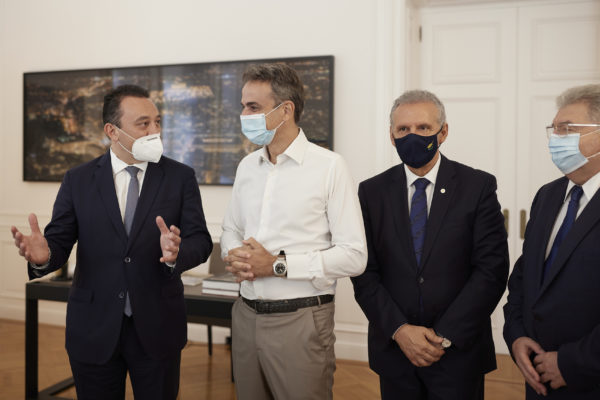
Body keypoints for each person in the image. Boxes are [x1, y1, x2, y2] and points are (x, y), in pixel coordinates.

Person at [11, 84, 213, 400]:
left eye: (157, 122)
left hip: (158, 326)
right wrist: (43, 256)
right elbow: (59, 243)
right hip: (93, 327)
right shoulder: (77, 179)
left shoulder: (180, 177)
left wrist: (177, 252)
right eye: (143, 124)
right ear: (112, 131)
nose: (155, 131)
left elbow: (200, 240)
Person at [221, 63, 367, 400]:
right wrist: (236, 255)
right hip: (245, 317)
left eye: (253, 107)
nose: (244, 115)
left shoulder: (330, 167)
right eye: (243, 106)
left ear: (285, 110)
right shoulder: (247, 167)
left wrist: (276, 265)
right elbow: (230, 228)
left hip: (301, 320)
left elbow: (354, 255)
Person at [351, 90, 509, 400]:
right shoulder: (371, 192)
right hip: (396, 351)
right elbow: (363, 271)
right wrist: (400, 330)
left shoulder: (477, 186)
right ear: (392, 136)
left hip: (457, 352)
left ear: (443, 132)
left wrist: (443, 336)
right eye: (403, 129)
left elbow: (491, 270)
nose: (412, 136)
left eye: (423, 127)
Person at [504, 84, 600, 399]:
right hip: (537, 375)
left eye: (568, 129)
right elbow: (523, 277)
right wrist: (516, 336)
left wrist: (571, 363)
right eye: (554, 129)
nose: (556, 139)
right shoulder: (547, 196)